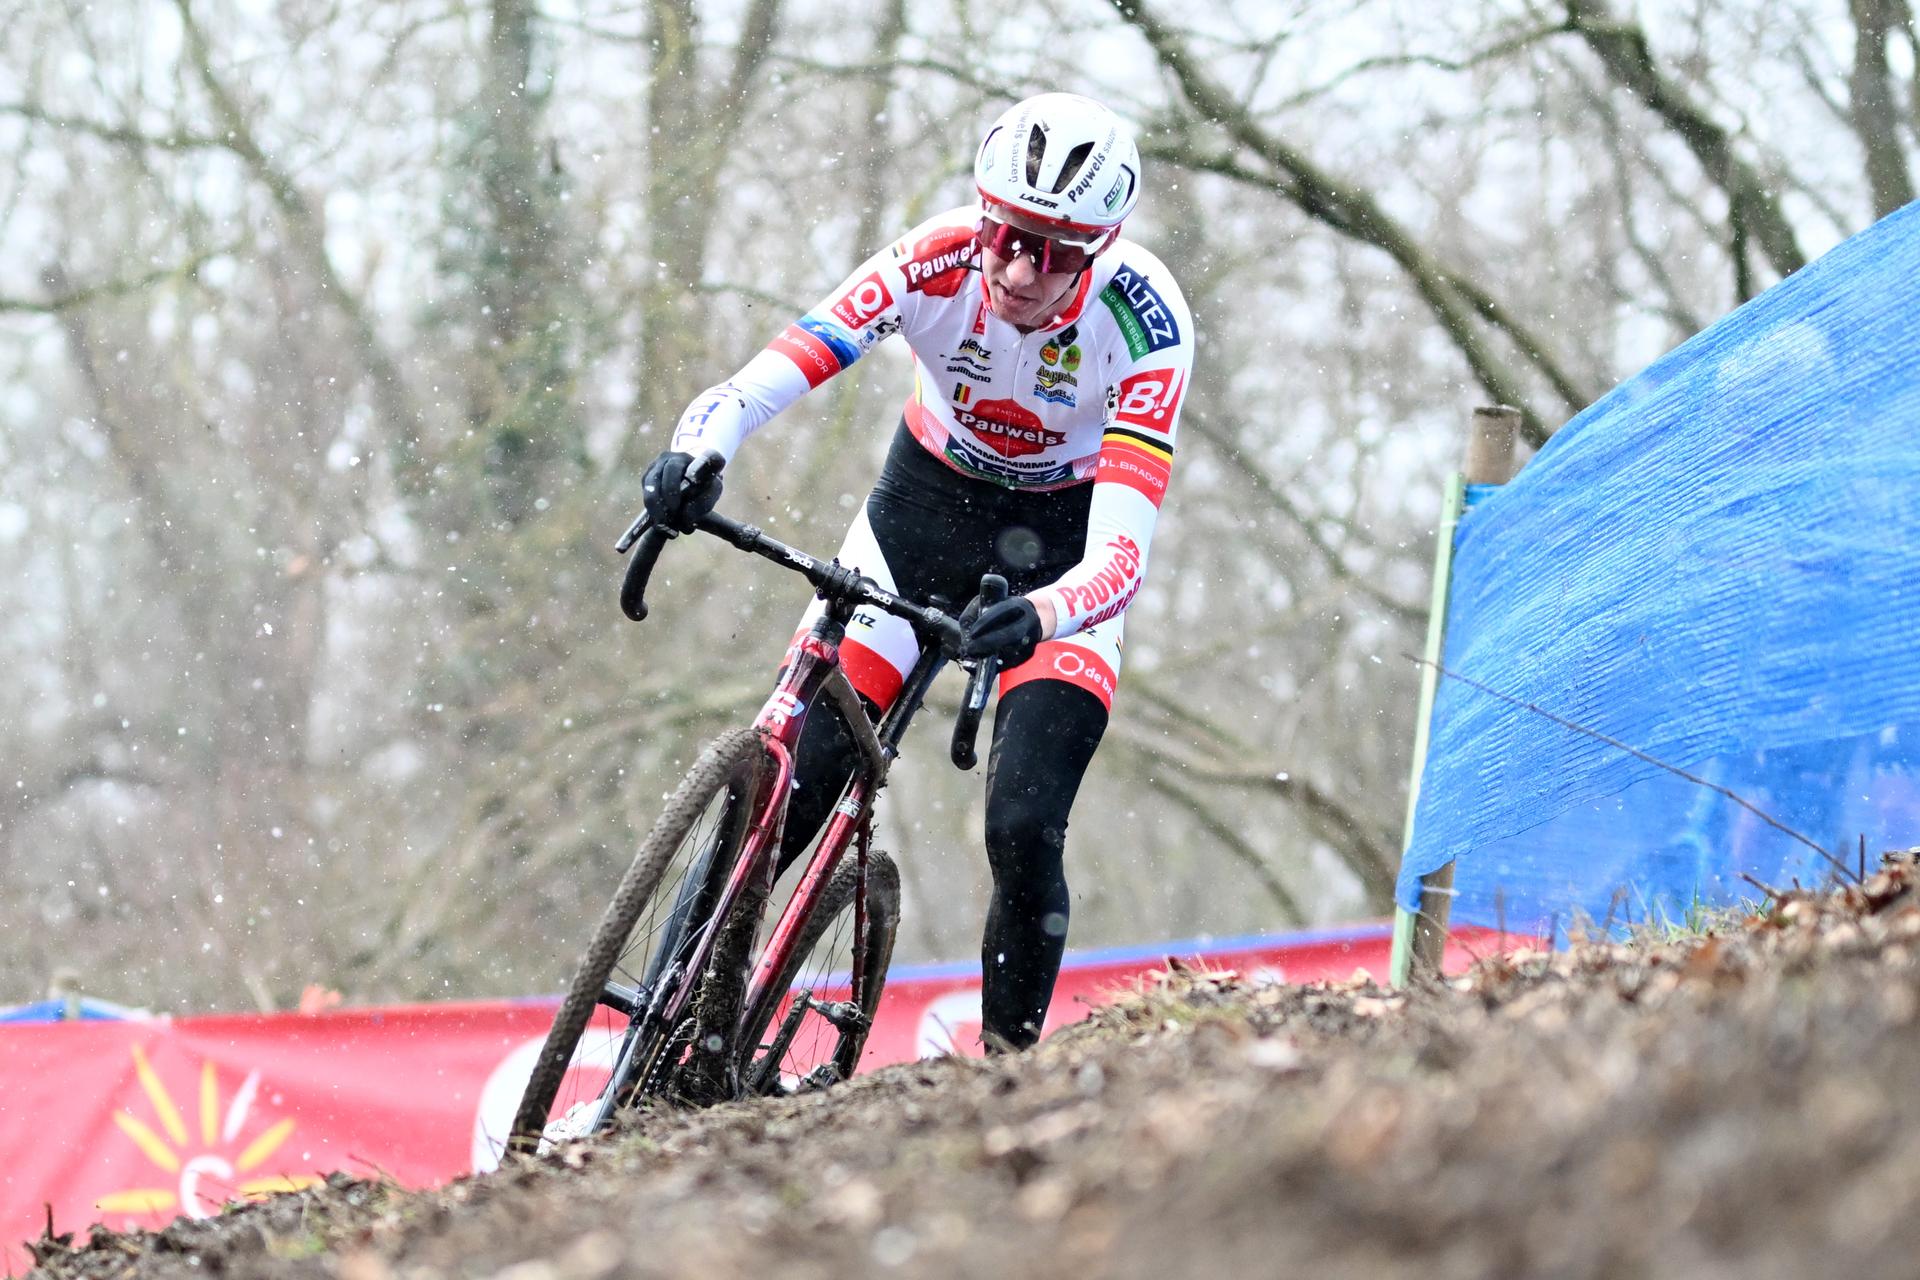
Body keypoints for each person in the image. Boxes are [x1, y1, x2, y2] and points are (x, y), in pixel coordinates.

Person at [641, 92, 1194, 1051]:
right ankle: (656, 1037)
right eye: (1010, 235)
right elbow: (768, 375)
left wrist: (1044, 612)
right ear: (983, 215)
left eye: (1057, 252)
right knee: (788, 785)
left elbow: (1121, 555)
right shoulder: (935, 258)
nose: (1022, 268)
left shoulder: (1146, 327)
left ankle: (1005, 1076)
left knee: (1023, 825)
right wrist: (699, 451)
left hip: (1061, 556)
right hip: (922, 519)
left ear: (1101, 250)